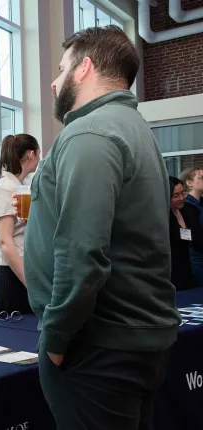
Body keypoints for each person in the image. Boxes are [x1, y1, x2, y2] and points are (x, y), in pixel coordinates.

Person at [22, 26, 181, 430]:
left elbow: (82, 252)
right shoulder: (134, 127)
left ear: (84, 68)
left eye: (61, 68)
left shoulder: (90, 133)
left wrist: (56, 341)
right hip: (127, 342)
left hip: (96, 347)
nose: (54, 81)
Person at [0, 134, 40, 319]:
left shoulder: (21, 186)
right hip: (5, 271)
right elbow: (5, 242)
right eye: (39, 154)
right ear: (31, 154)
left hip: (17, 267)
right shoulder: (6, 187)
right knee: (8, 332)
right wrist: (29, 283)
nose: (39, 158)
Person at [169, 176, 203, 291]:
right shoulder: (162, 218)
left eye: (183, 193)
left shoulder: (188, 210)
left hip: (188, 269)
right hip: (171, 273)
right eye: (176, 196)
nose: (181, 198)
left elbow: (198, 238)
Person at [180, 167, 203, 287]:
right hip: (196, 258)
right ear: (189, 183)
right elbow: (194, 236)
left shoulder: (199, 203)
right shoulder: (187, 206)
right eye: (201, 178)